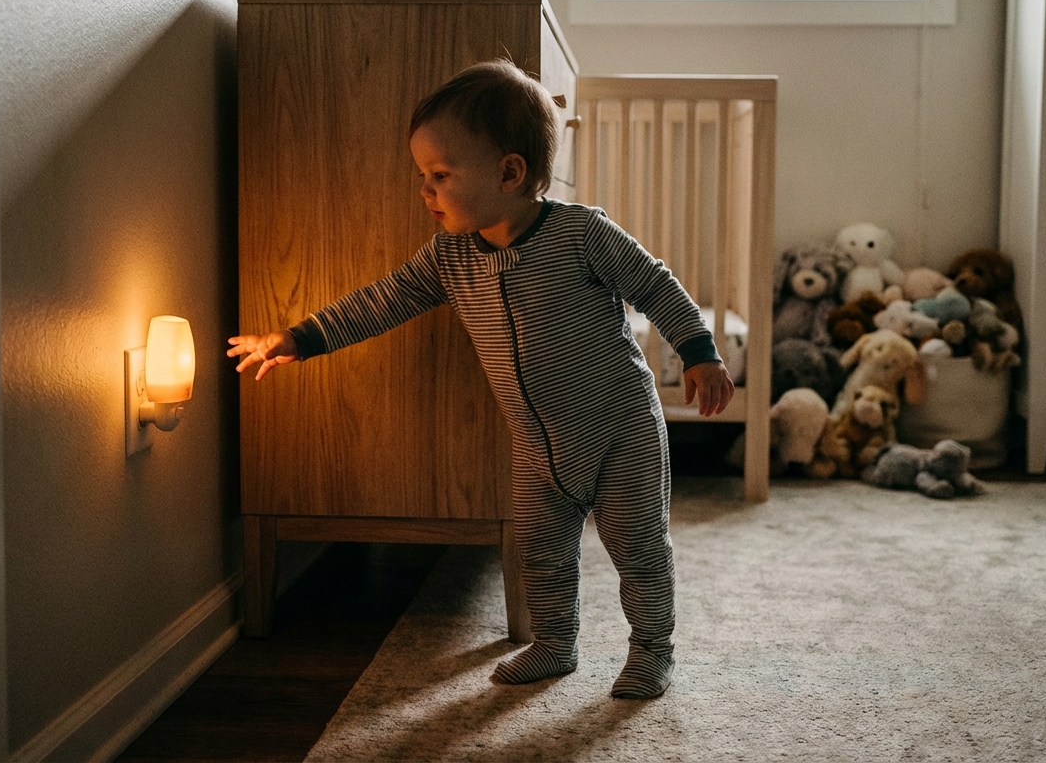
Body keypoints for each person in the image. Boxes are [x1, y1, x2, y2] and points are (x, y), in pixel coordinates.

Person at [227, 59, 733, 700]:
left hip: (620, 427)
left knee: (637, 548)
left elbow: (655, 284)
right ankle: (553, 643)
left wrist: (698, 352)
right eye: (423, 176)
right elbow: (382, 301)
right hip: (537, 441)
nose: (425, 191)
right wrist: (300, 338)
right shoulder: (449, 256)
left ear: (510, 172)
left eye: (440, 175)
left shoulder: (581, 234)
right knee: (538, 549)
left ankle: (651, 649)